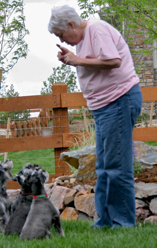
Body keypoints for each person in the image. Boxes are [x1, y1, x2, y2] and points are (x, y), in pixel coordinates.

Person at [48, 5, 143, 228]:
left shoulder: (97, 29)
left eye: (62, 34)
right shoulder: (82, 41)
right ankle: (105, 221)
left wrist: (77, 60)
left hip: (119, 101)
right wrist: (73, 57)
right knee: (103, 167)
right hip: (104, 108)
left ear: (71, 24)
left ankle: (123, 223)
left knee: (116, 166)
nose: (64, 39)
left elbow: (113, 60)